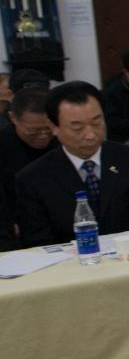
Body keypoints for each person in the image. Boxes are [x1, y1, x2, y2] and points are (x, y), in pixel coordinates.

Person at [16, 82, 129, 245]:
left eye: (96, 123)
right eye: (77, 128)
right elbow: (38, 243)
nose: (90, 135)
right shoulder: (33, 178)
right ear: (54, 127)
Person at [1, 88, 56, 244]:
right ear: (13, 118)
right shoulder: (3, 146)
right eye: (33, 131)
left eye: (48, 128)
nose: (43, 135)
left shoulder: (62, 141)